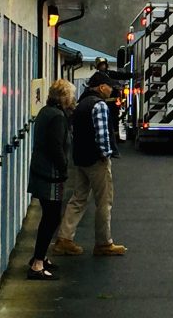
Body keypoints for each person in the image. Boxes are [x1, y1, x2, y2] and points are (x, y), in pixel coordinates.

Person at [52, 72, 127, 257]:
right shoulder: (99, 105)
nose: (112, 90)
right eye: (110, 86)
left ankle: (64, 239)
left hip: (80, 159)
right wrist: (106, 154)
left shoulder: (81, 103)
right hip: (96, 161)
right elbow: (102, 135)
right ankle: (104, 243)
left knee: (78, 198)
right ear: (102, 87)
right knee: (104, 202)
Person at [26, 79, 77, 280]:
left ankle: (40, 257)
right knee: (51, 218)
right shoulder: (57, 117)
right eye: (71, 95)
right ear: (64, 96)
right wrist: (64, 166)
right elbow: (55, 146)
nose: (72, 99)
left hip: (40, 170)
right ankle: (37, 264)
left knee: (49, 215)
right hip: (51, 174)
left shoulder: (45, 112)